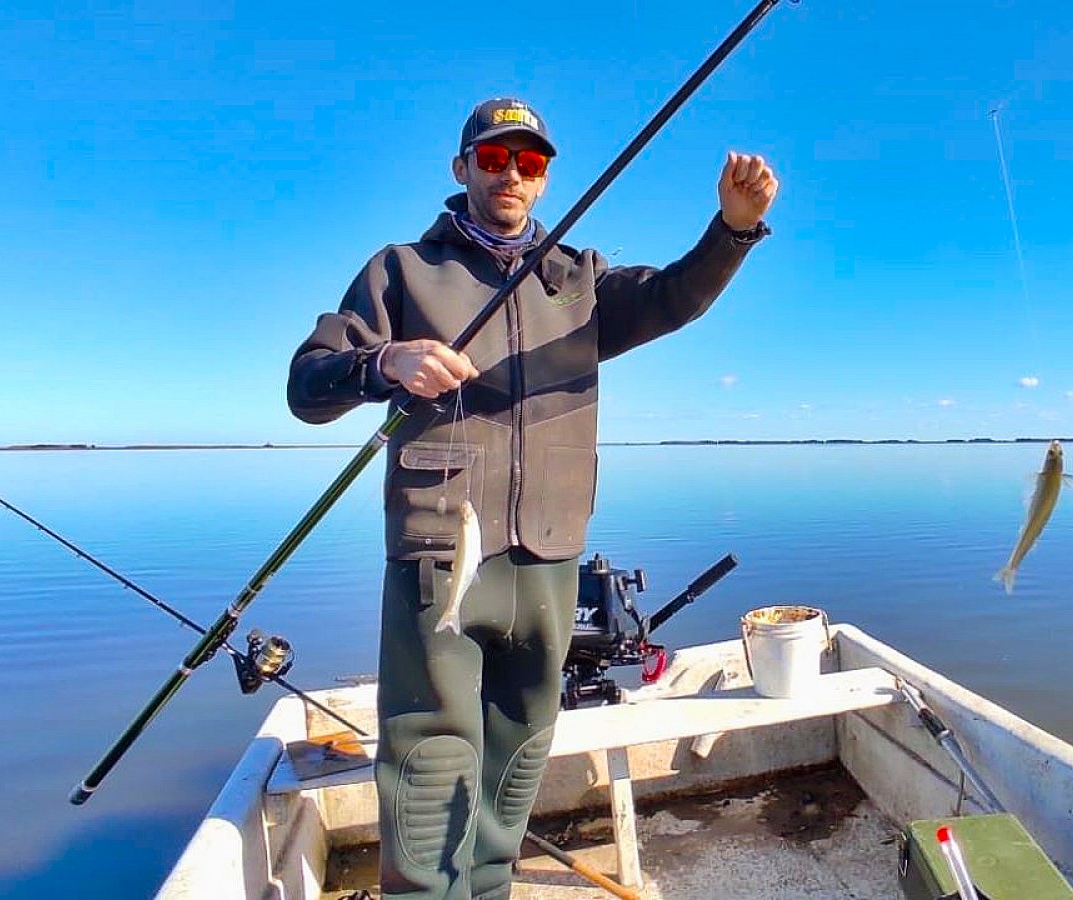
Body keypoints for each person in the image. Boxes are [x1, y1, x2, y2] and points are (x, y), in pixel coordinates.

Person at [286, 97, 778, 900]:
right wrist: (385, 364)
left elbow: (673, 297)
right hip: (441, 552)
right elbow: (307, 385)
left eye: (531, 161)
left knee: (521, 743)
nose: (512, 173)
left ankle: (490, 888)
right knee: (429, 752)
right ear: (462, 169)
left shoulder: (577, 280)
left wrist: (732, 230)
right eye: (493, 158)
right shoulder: (402, 270)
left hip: (550, 550)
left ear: (545, 179)